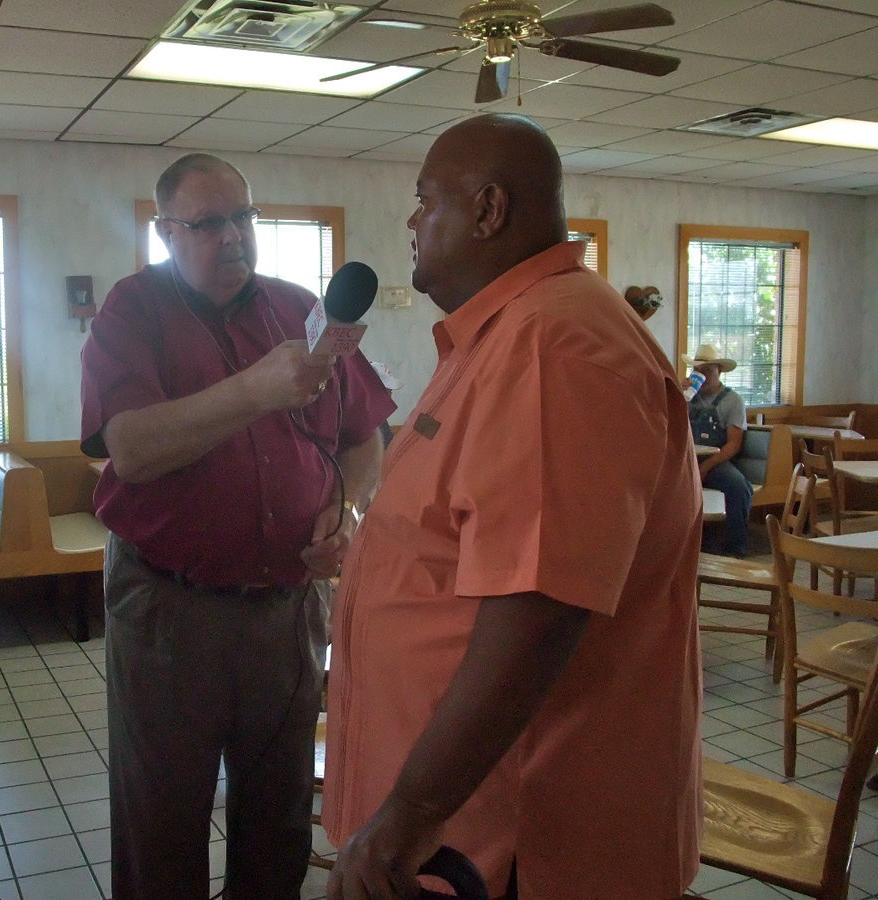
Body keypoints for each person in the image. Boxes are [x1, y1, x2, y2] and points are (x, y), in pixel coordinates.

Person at [322, 115, 703, 900]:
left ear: (488, 210)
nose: (411, 221)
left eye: (425, 200)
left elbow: (537, 611)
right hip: (470, 825)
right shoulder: (504, 336)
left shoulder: (553, 346)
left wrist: (408, 815)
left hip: (515, 837)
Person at [79, 153, 393, 899]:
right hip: (169, 608)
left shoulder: (298, 311)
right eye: (207, 223)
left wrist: (345, 508)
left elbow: (362, 439)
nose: (232, 238)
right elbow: (131, 449)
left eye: (243, 218)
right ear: (165, 232)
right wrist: (256, 388)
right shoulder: (132, 312)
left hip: (285, 610)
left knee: (279, 819)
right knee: (163, 823)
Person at [685, 343, 753, 557]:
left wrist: (706, 466)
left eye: (707, 370)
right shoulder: (687, 397)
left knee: (738, 487)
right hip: (686, 459)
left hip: (716, 461)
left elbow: (734, 443)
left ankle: (734, 549)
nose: (702, 375)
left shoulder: (733, 401)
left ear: (719, 371)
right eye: (697, 370)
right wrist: (678, 391)